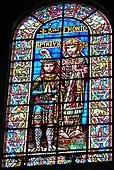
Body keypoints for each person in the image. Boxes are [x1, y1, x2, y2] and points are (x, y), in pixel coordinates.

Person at [29, 48, 65, 152]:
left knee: (50, 124)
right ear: (43, 67)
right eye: (46, 66)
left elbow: (61, 90)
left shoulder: (57, 78)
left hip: (51, 104)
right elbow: (31, 91)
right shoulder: (40, 79)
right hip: (39, 105)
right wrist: (42, 92)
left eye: (51, 65)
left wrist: (55, 92)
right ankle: (38, 146)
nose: (48, 68)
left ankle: (49, 146)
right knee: (37, 124)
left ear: (54, 66)